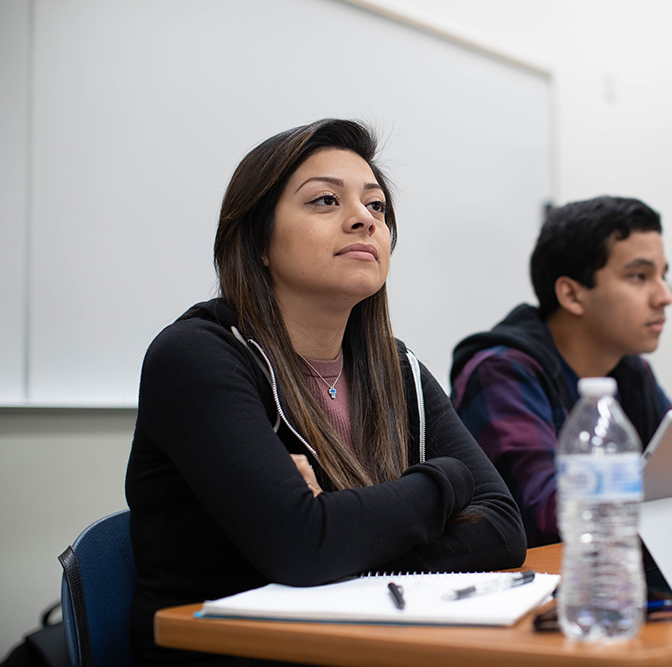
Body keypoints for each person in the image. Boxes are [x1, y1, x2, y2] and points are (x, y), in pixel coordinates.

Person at [125, 119, 526, 666]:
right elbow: (304, 546)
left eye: (377, 207)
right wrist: (449, 482)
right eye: (324, 201)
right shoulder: (197, 358)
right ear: (259, 241)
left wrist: (343, 531)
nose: (363, 219)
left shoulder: (395, 366)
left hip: (361, 648)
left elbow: (503, 527)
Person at [450, 196, 672, 548]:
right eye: (640, 277)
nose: (664, 297)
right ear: (572, 295)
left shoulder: (629, 368)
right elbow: (550, 513)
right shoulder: (500, 372)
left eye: (662, 276)